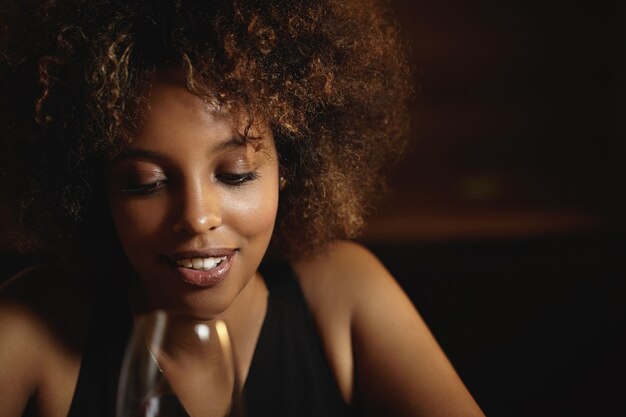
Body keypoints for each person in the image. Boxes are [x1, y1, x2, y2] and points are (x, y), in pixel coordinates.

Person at [0, 1, 485, 416]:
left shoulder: (343, 296)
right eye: (145, 182)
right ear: (95, 188)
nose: (196, 215)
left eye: (235, 173)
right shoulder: (35, 325)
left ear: (288, 166)